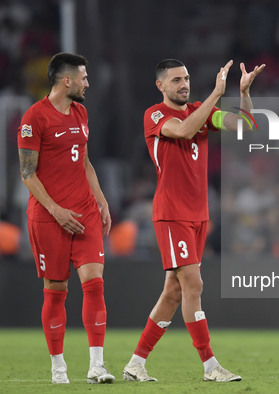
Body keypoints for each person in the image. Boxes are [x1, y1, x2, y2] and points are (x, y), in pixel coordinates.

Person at [122, 58, 264, 382]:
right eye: (176, 80)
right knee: (194, 284)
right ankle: (210, 366)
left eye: (186, 78)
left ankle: (135, 363)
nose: (184, 84)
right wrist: (216, 93)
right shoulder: (155, 115)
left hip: (198, 215)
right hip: (171, 214)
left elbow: (245, 125)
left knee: (174, 291)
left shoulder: (201, 112)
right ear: (161, 86)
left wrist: (243, 93)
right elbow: (184, 131)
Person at [17, 52, 115, 385]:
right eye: (84, 78)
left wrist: (100, 199)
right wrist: (56, 210)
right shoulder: (34, 118)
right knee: (56, 290)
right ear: (67, 80)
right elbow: (27, 174)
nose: (88, 83)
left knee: (95, 284)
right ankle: (59, 367)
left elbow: (83, 161)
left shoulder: (81, 112)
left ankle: (96, 366)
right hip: (49, 218)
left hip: (84, 212)